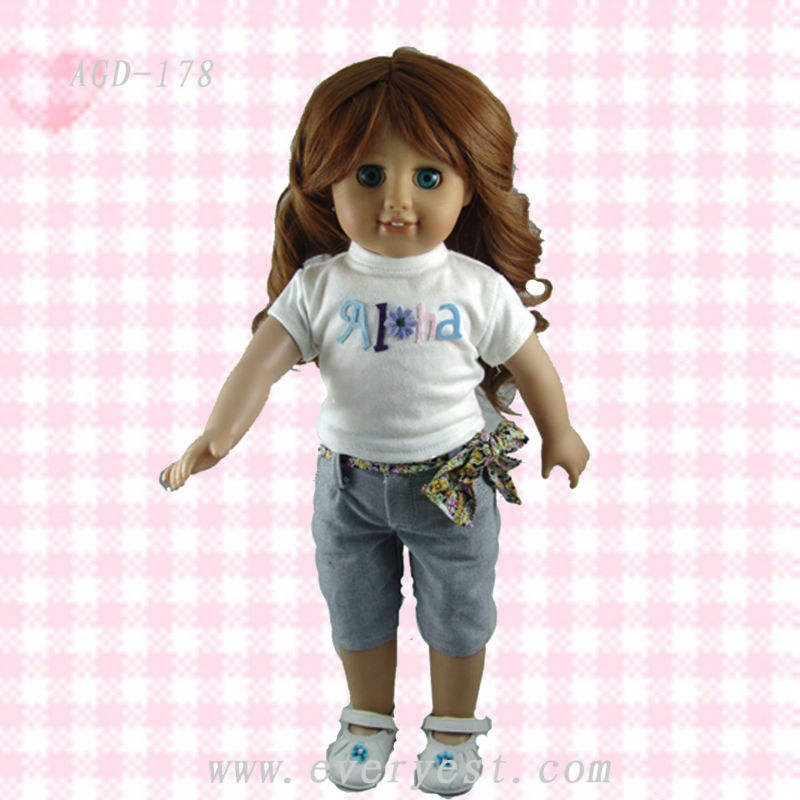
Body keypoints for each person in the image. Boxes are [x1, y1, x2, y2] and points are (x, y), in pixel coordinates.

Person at [159, 47, 589, 796]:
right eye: (368, 175)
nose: (396, 200)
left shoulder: (475, 287)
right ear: (326, 180)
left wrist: (562, 431)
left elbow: (532, 364)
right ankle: (367, 719)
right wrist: (217, 436)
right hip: (348, 485)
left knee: (459, 607)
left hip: (452, 481)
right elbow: (258, 365)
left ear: (469, 187)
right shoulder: (320, 286)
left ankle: (453, 730)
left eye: (428, 177)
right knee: (354, 603)